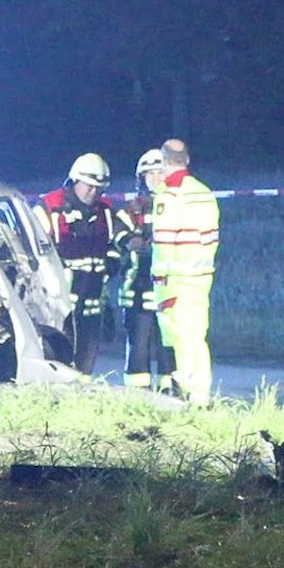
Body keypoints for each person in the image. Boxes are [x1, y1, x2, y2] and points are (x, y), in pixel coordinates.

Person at [35, 152, 123, 375]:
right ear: (75, 180)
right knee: (58, 362)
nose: (93, 192)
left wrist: (111, 265)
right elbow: (36, 252)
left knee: (85, 368)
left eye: (98, 188)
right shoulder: (50, 208)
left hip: (92, 306)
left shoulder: (105, 211)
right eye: (89, 186)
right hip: (59, 307)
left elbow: (113, 246)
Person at [150, 138, 220, 405]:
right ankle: (200, 392)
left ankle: (191, 391)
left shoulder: (168, 195)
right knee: (197, 334)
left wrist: (159, 276)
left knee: (180, 338)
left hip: (174, 279)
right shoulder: (204, 192)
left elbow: (164, 242)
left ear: (165, 162)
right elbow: (212, 239)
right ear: (187, 160)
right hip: (201, 276)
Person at [116, 148, 175, 393]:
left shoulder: (175, 204)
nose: (154, 178)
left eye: (159, 172)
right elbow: (117, 234)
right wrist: (129, 241)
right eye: (149, 174)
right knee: (138, 345)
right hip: (137, 289)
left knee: (166, 345)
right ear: (141, 178)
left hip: (168, 287)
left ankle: (168, 392)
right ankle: (137, 395)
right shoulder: (132, 209)